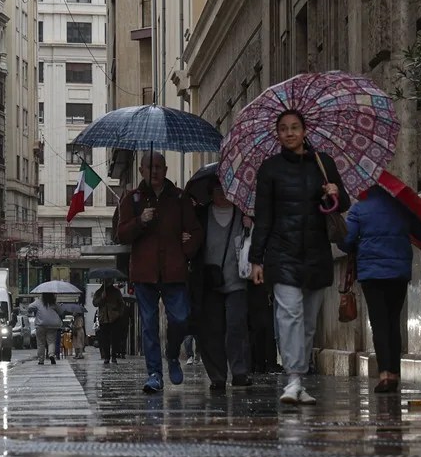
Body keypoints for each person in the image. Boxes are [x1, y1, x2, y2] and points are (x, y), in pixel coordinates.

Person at [249, 109, 349, 405]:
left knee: (307, 323)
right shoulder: (270, 169)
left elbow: (340, 203)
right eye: (283, 129)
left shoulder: (323, 164)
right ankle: (293, 379)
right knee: (289, 314)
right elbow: (263, 217)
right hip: (282, 253)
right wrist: (257, 259)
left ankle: (300, 378)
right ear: (277, 134)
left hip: (316, 251)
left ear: (305, 131)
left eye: (295, 128)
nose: (290, 133)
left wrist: (334, 192)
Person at [117, 151, 204, 393]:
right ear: (141, 170)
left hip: (174, 272)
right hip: (144, 274)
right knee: (149, 325)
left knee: (181, 318)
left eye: (158, 167)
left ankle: (173, 353)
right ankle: (154, 373)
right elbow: (121, 234)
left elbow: (196, 232)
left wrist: (185, 249)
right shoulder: (132, 199)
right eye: (149, 167)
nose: (154, 171)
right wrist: (140, 221)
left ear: (165, 170)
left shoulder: (179, 198)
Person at [339, 185, 413, 393]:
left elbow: (346, 242)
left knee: (379, 323)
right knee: (393, 321)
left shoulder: (359, 209)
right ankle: (395, 373)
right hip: (399, 272)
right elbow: (418, 230)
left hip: (372, 274)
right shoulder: (401, 206)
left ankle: (385, 375)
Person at [191, 179, 252, 391]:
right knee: (212, 331)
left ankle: (239, 372)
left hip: (238, 280)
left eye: (227, 190)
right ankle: (217, 376)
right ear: (211, 193)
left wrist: (250, 226)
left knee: (236, 326)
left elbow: (255, 240)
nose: (223, 195)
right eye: (218, 190)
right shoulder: (201, 215)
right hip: (209, 282)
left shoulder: (243, 214)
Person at [93, 277, 126, 364]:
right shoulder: (99, 291)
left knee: (115, 338)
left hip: (114, 318)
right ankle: (106, 357)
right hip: (103, 318)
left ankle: (114, 356)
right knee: (105, 339)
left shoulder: (116, 292)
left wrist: (119, 314)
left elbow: (122, 304)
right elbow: (95, 303)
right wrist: (102, 298)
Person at [28, 293, 63, 365]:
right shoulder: (53, 303)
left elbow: (29, 307)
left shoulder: (38, 302)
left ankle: (41, 360)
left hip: (41, 325)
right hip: (52, 325)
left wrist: (35, 309)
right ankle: (51, 355)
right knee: (51, 341)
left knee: (40, 343)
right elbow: (60, 311)